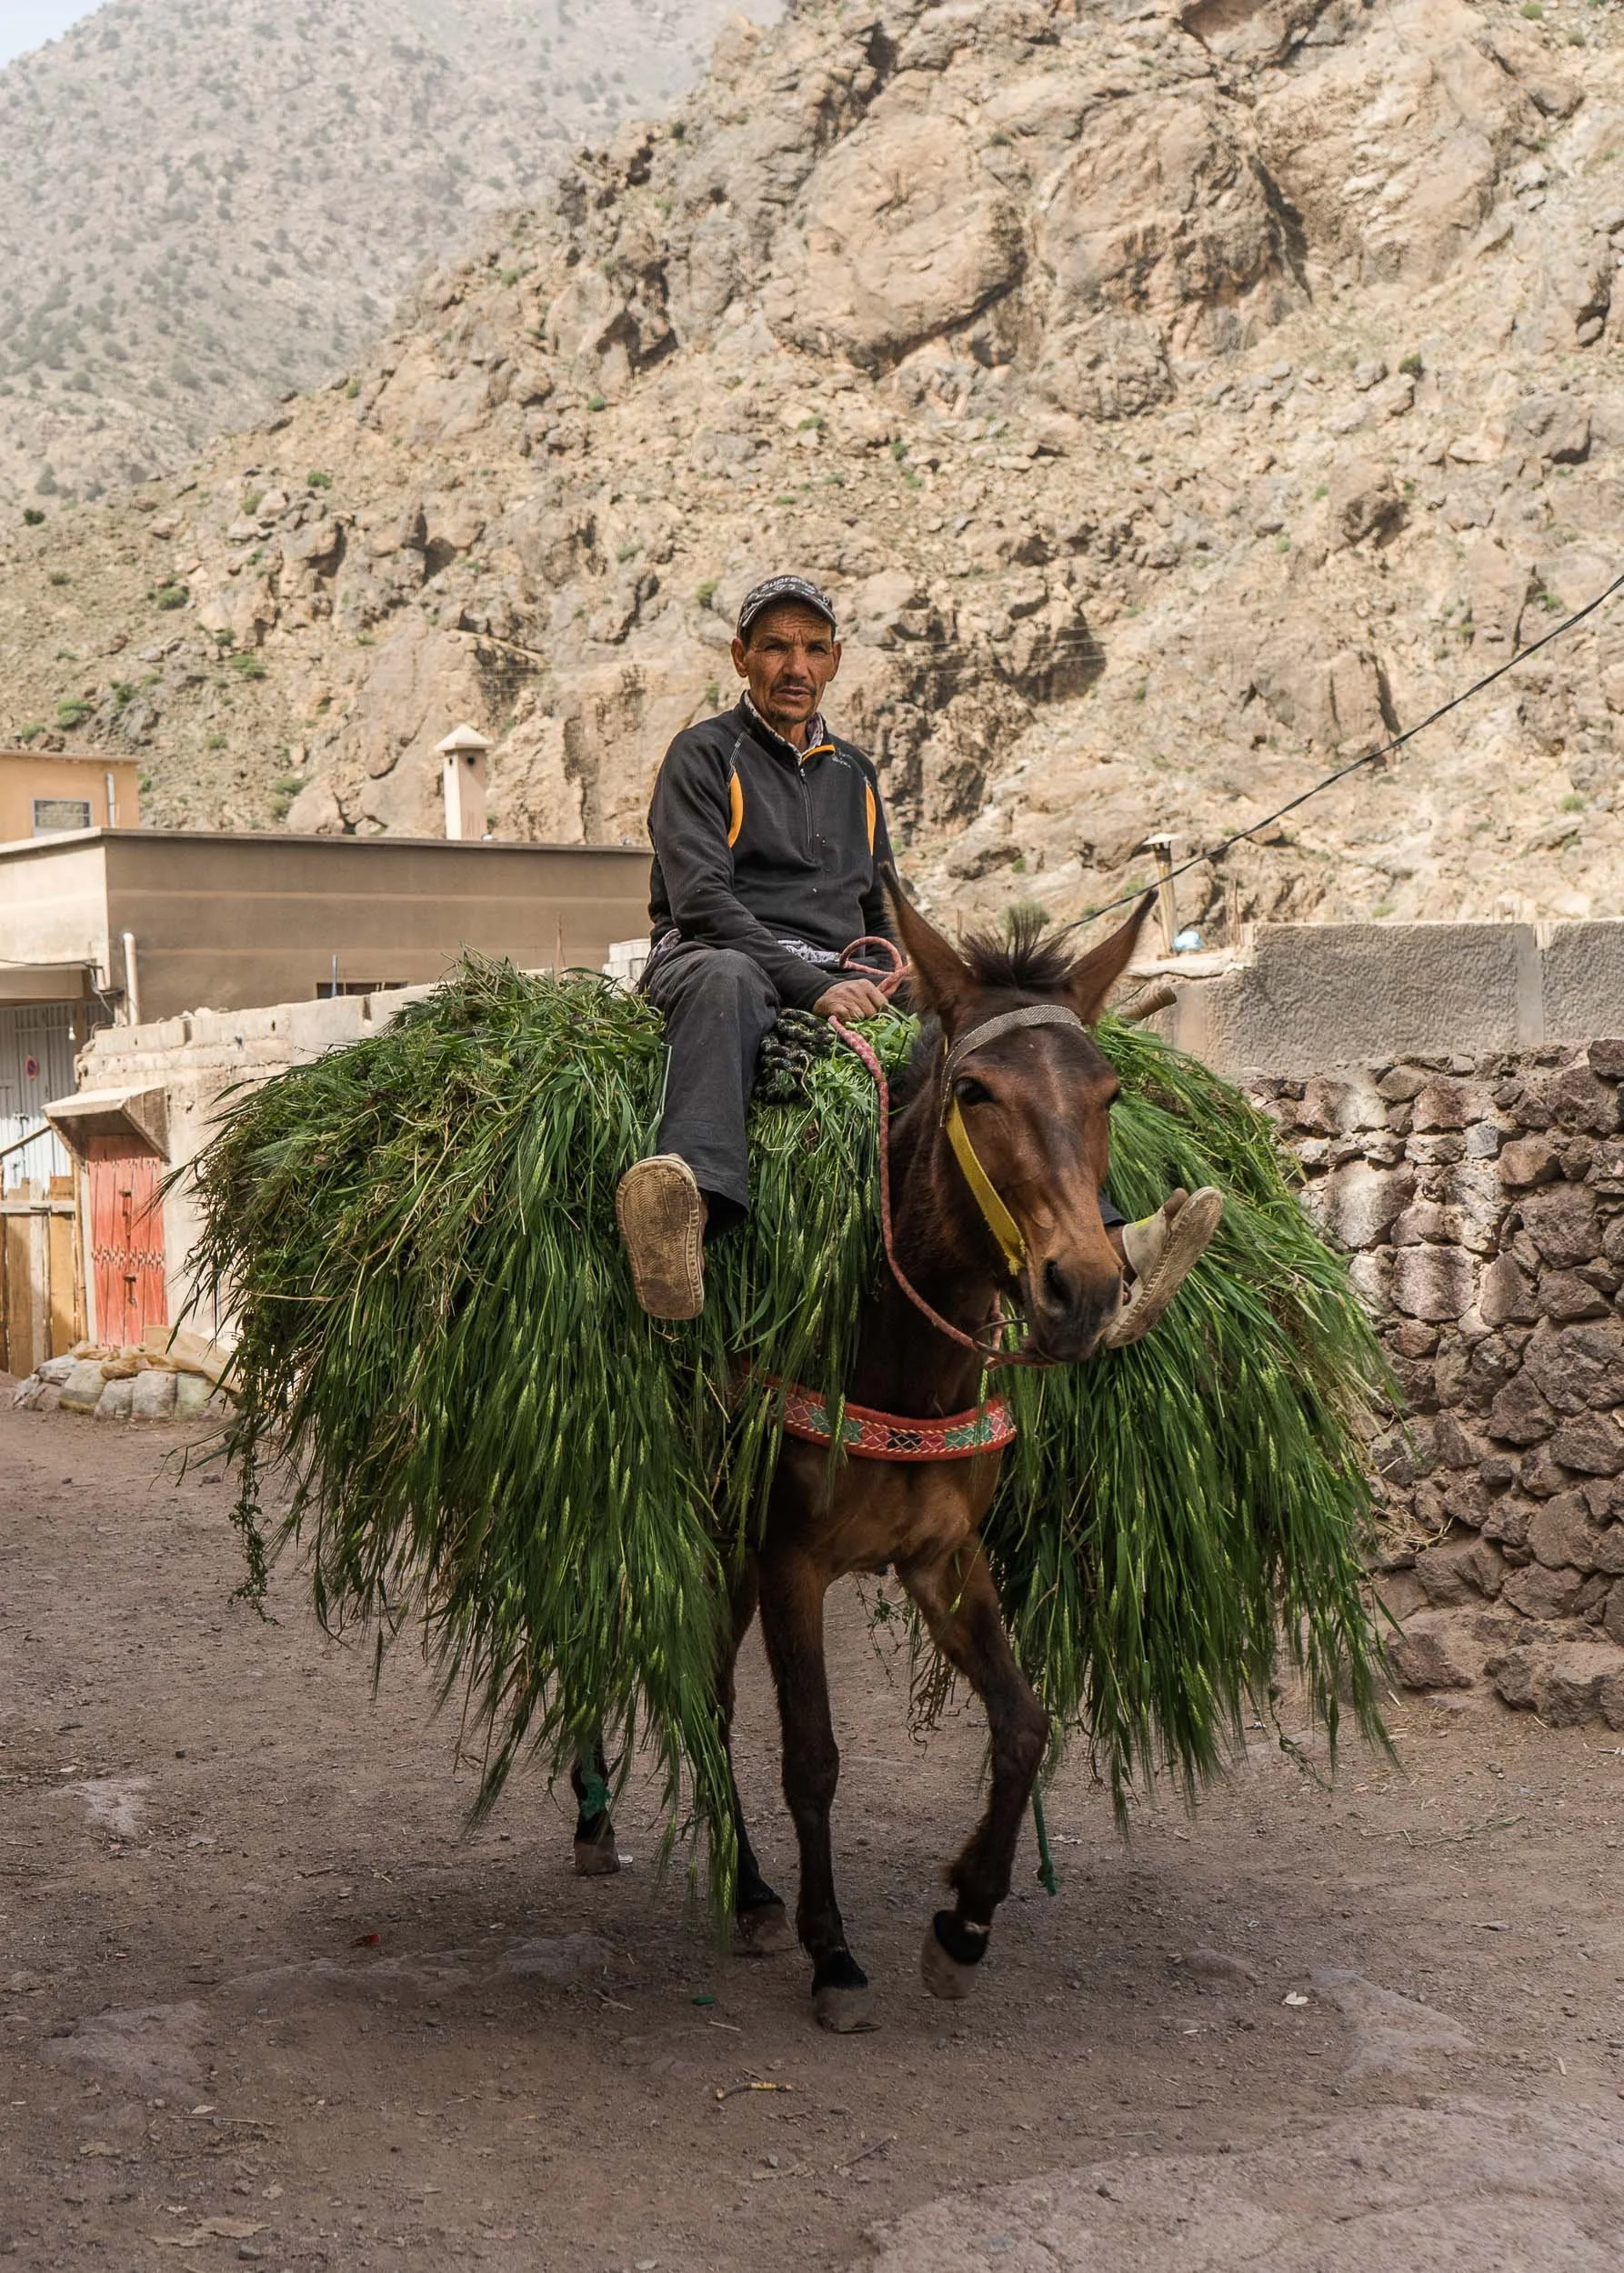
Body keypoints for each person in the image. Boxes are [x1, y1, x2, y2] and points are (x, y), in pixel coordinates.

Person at [615, 572, 1220, 1327]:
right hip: (717, 958)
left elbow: (878, 903)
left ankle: (1099, 1227)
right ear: (741, 657)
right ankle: (685, 1211)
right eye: (774, 647)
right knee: (729, 979)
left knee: (1011, 1039)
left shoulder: (855, 773)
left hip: (847, 968)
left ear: (835, 660)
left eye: (812, 648)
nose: (794, 667)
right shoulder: (702, 756)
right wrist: (811, 985)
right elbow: (703, 902)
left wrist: (901, 978)